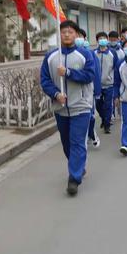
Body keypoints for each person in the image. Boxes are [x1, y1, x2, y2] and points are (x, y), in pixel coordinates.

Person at [40, 20, 95, 196]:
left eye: (70, 32)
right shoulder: (51, 57)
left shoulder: (84, 55)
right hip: (61, 107)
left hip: (81, 106)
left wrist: (69, 73)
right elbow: (45, 80)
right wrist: (56, 94)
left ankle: (74, 178)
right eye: (63, 32)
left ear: (76, 35)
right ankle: (78, 166)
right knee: (66, 144)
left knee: (77, 142)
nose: (66, 35)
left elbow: (89, 76)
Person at [76, 29, 101, 147]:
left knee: (89, 116)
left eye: (80, 36)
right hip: (74, 92)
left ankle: (92, 133)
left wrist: (97, 90)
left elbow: (96, 73)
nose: (77, 38)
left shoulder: (90, 54)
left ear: (84, 38)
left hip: (88, 91)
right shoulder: (68, 54)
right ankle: (83, 138)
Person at [94, 32, 119, 134]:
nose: (102, 40)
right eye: (100, 38)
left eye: (104, 38)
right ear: (97, 41)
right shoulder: (93, 53)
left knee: (108, 105)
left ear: (107, 39)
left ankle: (107, 125)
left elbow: (116, 67)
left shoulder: (112, 53)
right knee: (98, 106)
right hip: (97, 85)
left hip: (109, 84)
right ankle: (104, 118)